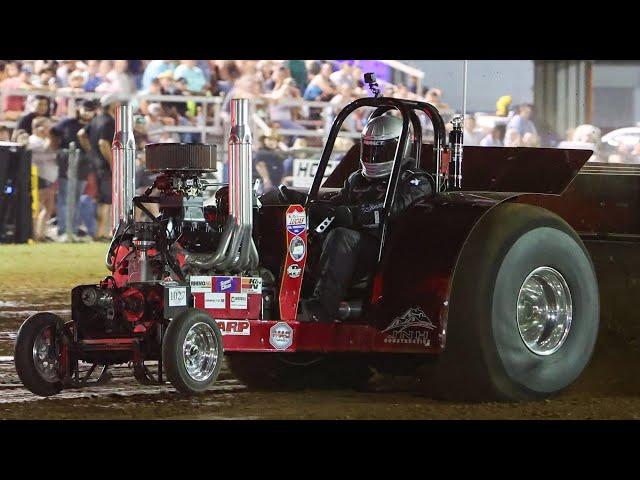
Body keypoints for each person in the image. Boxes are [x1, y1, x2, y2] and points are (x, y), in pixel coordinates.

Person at [301, 114, 434, 323]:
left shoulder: (415, 180)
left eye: (382, 150)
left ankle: (322, 309)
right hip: (352, 249)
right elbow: (339, 204)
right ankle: (288, 297)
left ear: (400, 147)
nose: (375, 156)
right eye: (371, 149)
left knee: (341, 236)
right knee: (306, 232)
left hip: (389, 252)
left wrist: (354, 215)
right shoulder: (356, 179)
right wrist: (316, 208)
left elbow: (394, 209)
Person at [53, 99, 99, 239]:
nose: (87, 113)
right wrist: (57, 149)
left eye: (90, 110)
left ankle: (72, 229)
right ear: (79, 109)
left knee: (76, 200)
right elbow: (53, 132)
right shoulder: (68, 123)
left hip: (83, 168)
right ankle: (63, 230)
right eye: (85, 109)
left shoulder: (94, 125)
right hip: (66, 166)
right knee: (64, 199)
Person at [78, 94, 119, 240]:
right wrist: (112, 163)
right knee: (105, 201)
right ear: (112, 104)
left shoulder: (96, 118)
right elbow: (103, 143)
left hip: (95, 164)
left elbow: (81, 134)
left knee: (101, 199)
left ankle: (100, 232)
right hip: (104, 166)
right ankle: (100, 233)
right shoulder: (109, 121)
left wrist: (90, 151)